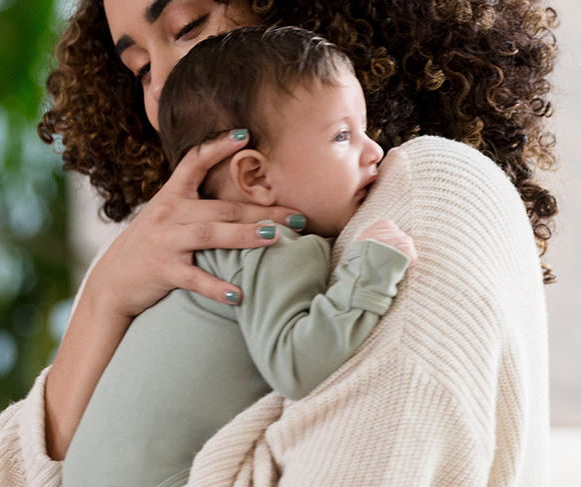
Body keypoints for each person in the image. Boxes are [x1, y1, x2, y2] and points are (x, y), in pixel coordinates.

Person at [0, 0, 557, 486]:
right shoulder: (238, 250)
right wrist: (105, 295)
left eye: (189, 27)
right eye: (138, 66)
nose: (162, 87)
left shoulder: (431, 193)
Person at [62, 26, 417, 486]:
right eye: (342, 136)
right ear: (254, 176)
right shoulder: (270, 244)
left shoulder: (187, 251)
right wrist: (371, 270)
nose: (375, 151)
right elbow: (298, 365)